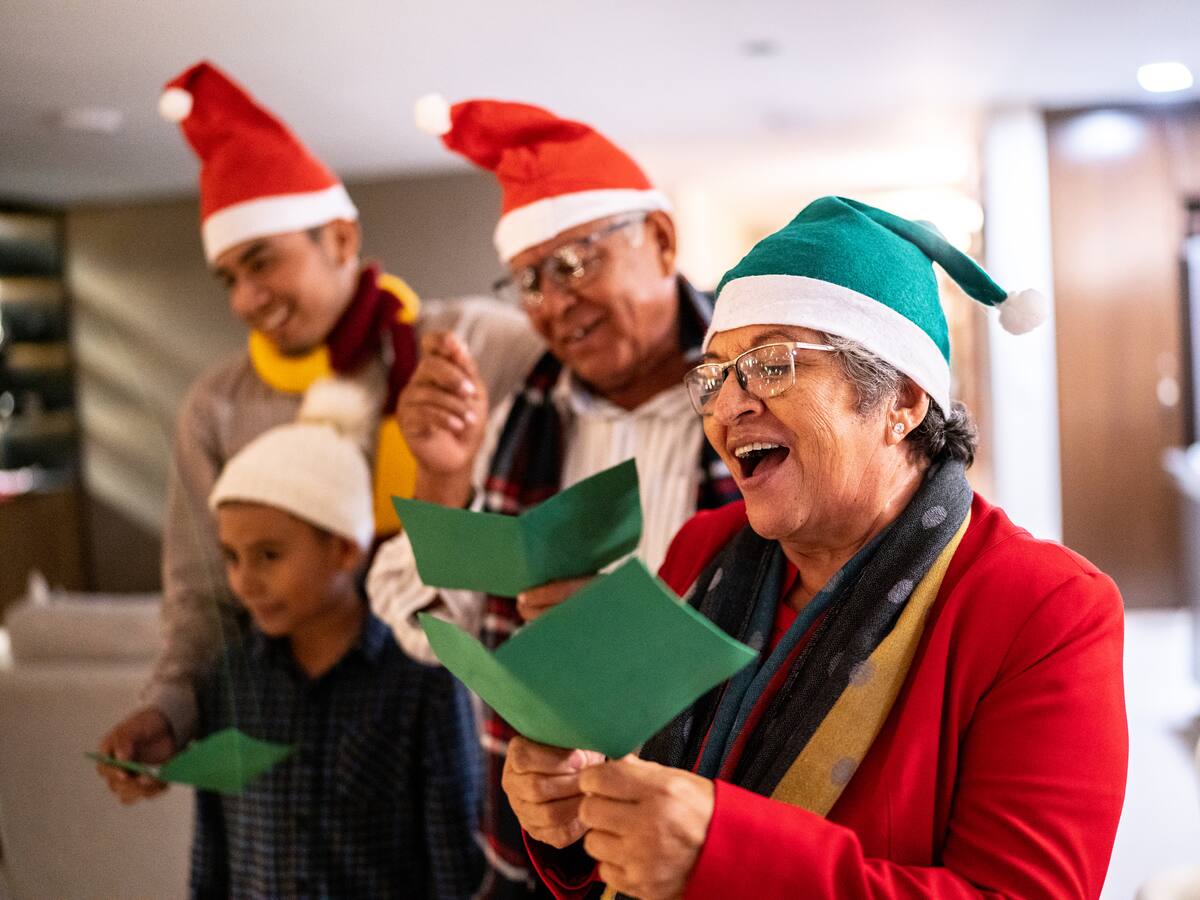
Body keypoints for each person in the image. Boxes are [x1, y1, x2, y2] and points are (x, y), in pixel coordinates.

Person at [501, 196, 1129, 899]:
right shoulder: (702, 549)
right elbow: (645, 798)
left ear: (904, 401)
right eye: (712, 377)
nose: (727, 405)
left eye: (771, 365)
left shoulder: (1044, 608)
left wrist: (723, 855)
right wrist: (577, 805)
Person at [96, 62, 541, 804]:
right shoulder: (218, 406)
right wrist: (171, 708)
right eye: (229, 277)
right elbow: (203, 596)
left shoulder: (473, 343)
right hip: (290, 736)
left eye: (262, 262)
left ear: (339, 237)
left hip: (462, 719)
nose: (245, 298)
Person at [368, 96, 739, 896]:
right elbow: (422, 631)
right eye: (529, 280)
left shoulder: (758, 399)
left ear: (663, 242)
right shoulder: (510, 424)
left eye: (574, 263)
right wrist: (441, 476)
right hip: (537, 851)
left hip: (731, 831)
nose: (553, 302)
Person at [187, 377, 482, 897]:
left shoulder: (423, 682)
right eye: (231, 557)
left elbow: (455, 862)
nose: (244, 581)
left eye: (268, 555)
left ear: (345, 550)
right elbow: (212, 851)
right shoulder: (230, 676)